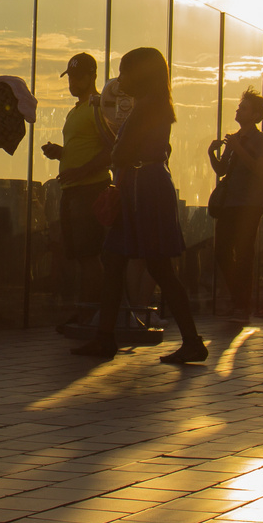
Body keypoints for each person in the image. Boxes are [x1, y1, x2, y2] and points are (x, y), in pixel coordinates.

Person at [72, 48, 207, 363]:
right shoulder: (156, 106)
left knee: (140, 262)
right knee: (133, 262)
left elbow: (120, 154)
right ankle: (183, 340)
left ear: (140, 75)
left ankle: (186, 341)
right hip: (145, 185)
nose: (120, 80)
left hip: (141, 188)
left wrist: (110, 136)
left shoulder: (145, 109)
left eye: (124, 72)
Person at [40, 53, 113, 329]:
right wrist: (62, 154)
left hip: (90, 191)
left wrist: (81, 171)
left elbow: (111, 150)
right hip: (73, 191)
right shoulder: (76, 110)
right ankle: (86, 310)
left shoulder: (98, 108)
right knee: (79, 256)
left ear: (92, 76)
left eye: (77, 76)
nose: (72, 81)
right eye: (69, 76)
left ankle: (91, 314)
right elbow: (86, 149)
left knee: (89, 256)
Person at [209, 90, 263, 316]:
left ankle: (241, 303)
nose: (238, 110)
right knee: (222, 251)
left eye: (243, 108)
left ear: (256, 115)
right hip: (230, 203)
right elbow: (222, 170)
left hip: (250, 204)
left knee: (245, 252)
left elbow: (261, 170)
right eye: (239, 106)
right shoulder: (234, 139)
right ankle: (239, 296)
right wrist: (211, 153)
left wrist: (238, 148)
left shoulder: (262, 141)